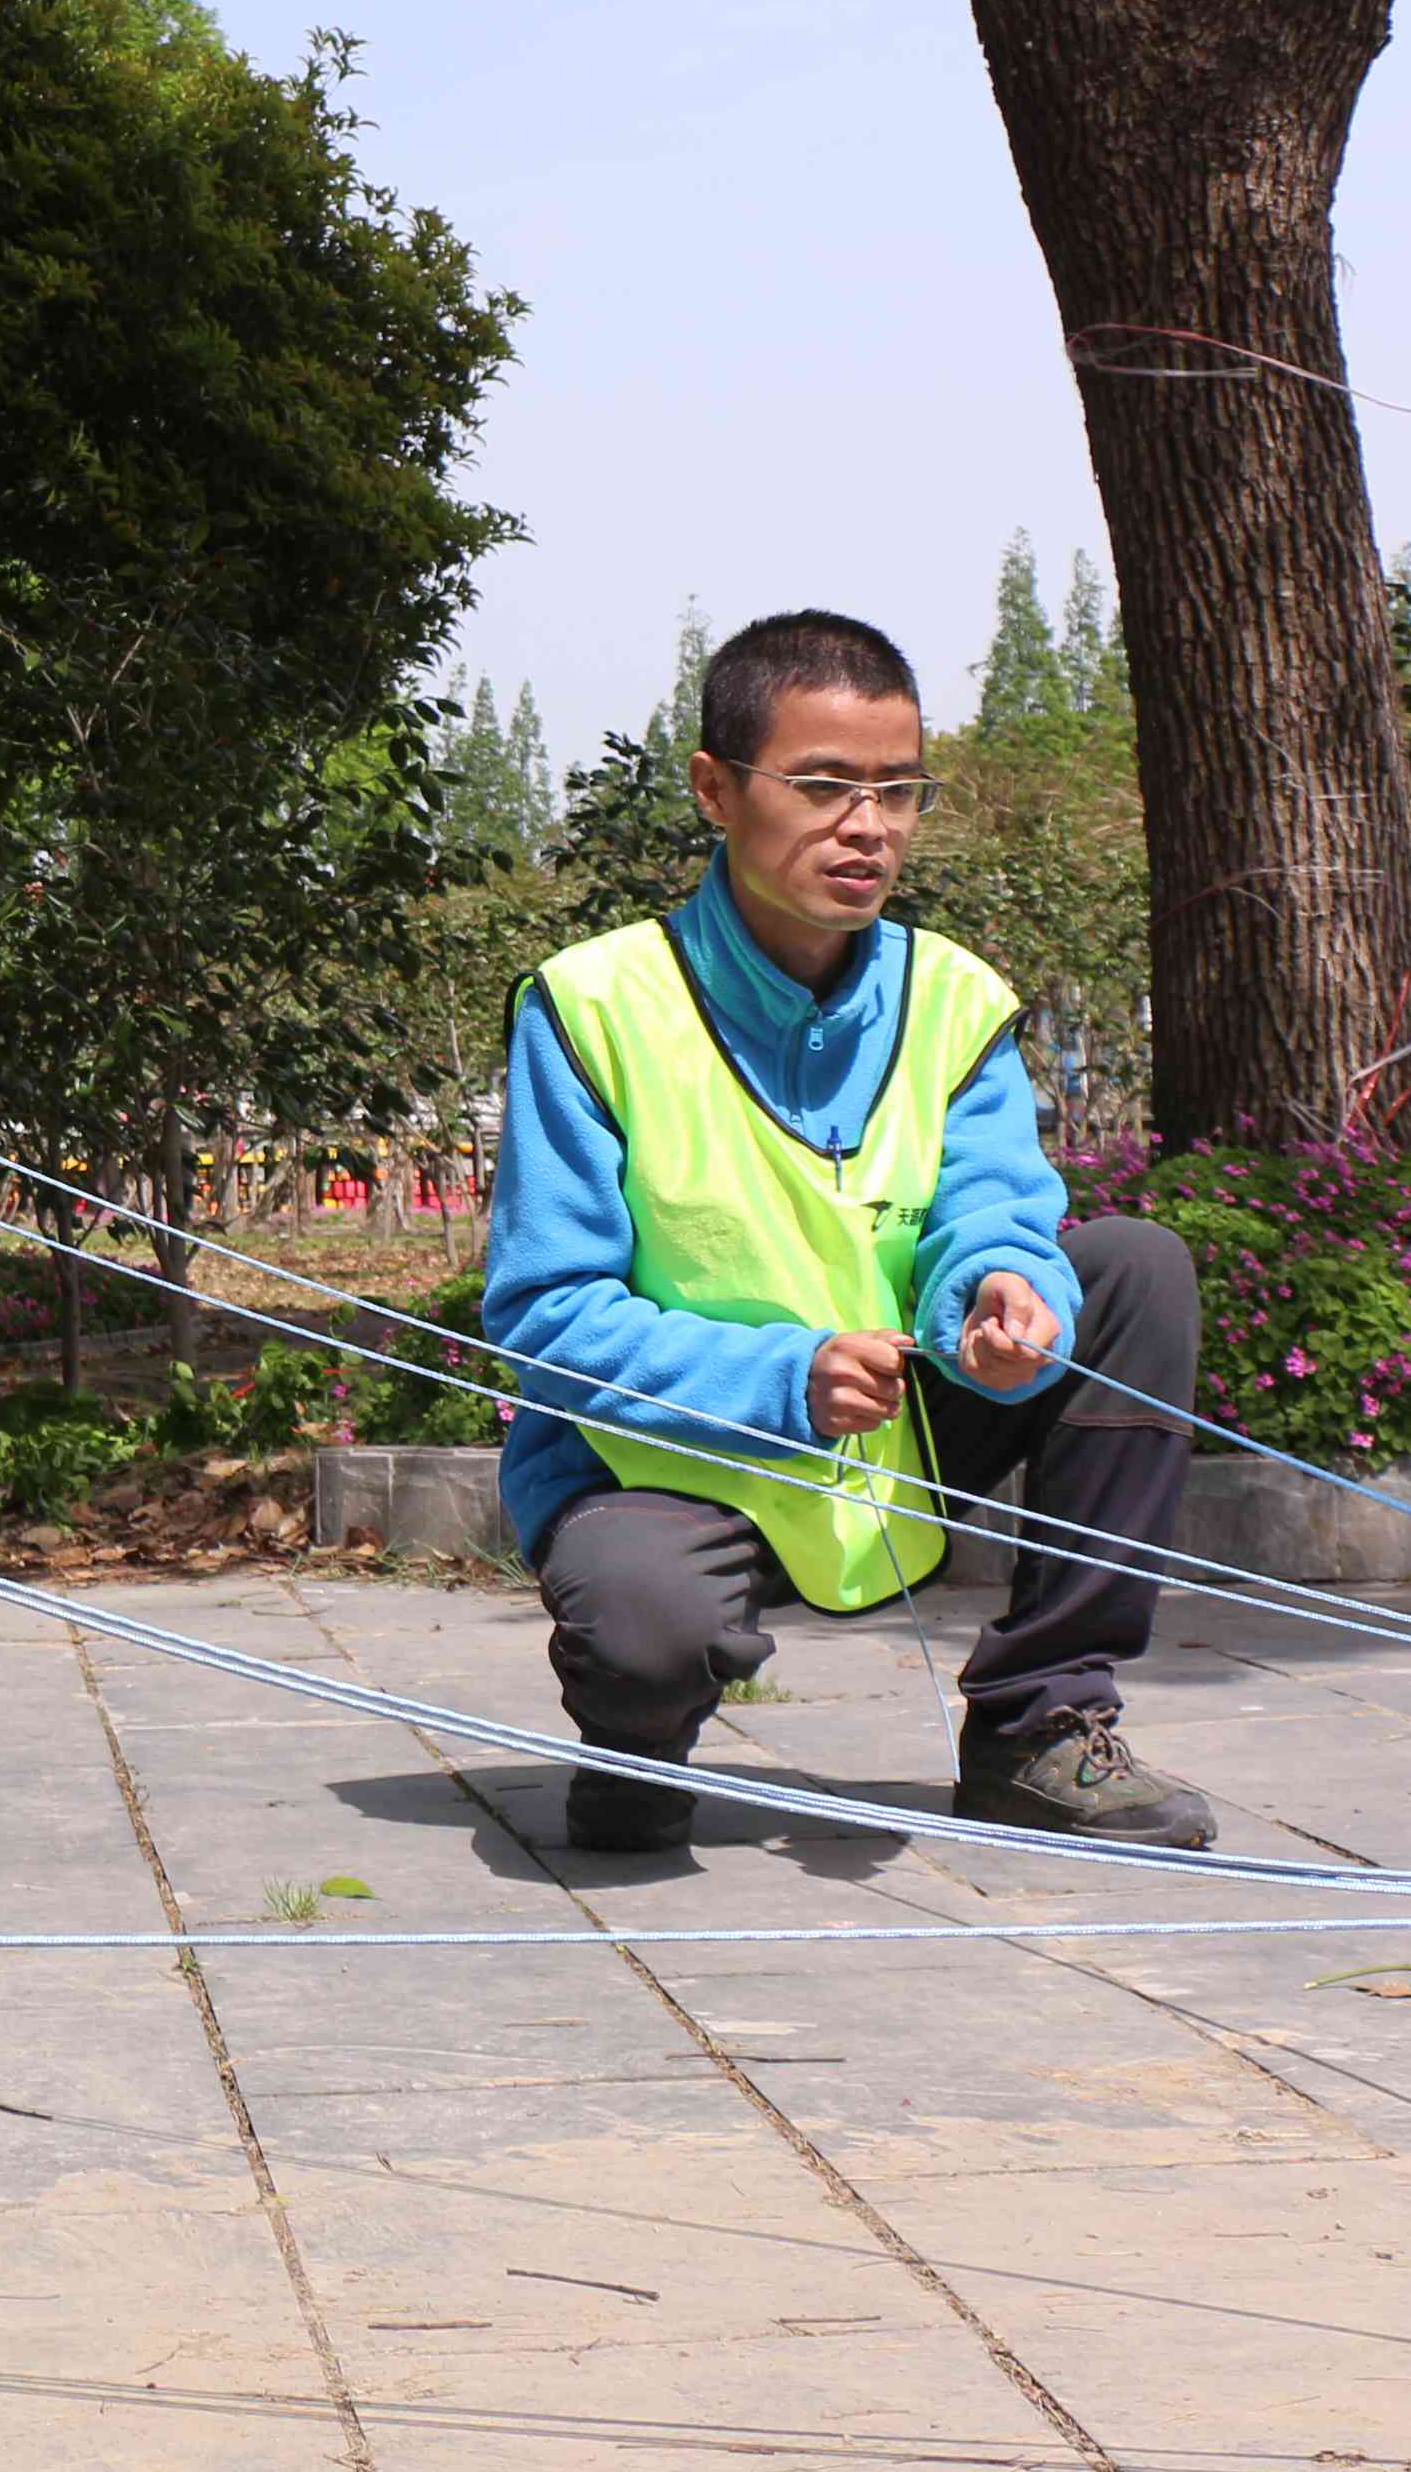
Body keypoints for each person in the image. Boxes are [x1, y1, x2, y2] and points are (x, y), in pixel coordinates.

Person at [481, 609, 1219, 1858]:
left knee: (1134, 1269)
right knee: (644, 1633)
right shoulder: (593, 1005)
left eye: (898, 790)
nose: (867, 825)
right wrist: (786, 1376)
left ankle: (1040, 1727)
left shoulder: (952, 999)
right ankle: (634, 1734)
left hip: (901, 1426)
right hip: (659, 1466)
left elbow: (996, 1207)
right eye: (822, 786)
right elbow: (548, 1317)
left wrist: (998, 1296)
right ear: (717, 789)